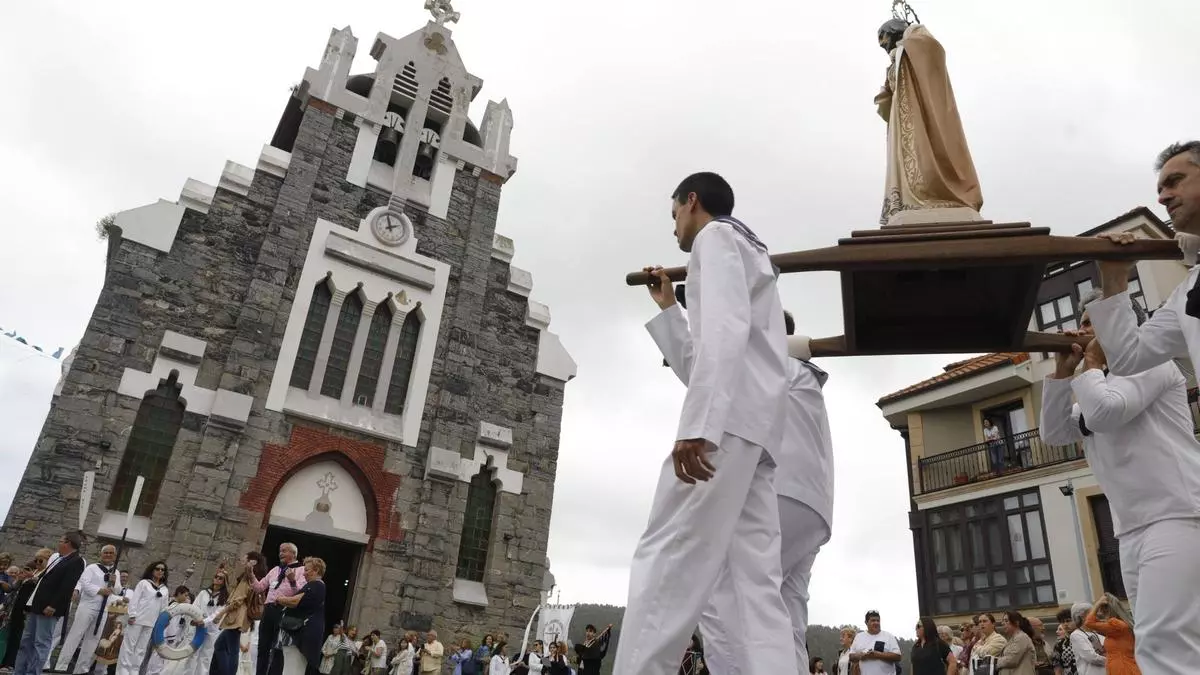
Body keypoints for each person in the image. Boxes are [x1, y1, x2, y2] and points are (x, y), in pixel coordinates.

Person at [614, 172, 795, 675]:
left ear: (692, 201)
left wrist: (699, 426)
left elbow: (724, 332)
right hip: (756, 430)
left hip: (726, 423)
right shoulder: (751, 252)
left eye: (674, 214)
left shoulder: (715, 240)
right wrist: (671, 307)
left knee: (669, 555)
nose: (674, 229)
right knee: (751, 583)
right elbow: (714, 351)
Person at [646, 274, 834, 675]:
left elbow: (704, 372)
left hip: (775, 491)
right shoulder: (802, 374)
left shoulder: (767, 366)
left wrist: (669, 310)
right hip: (813, 504)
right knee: (784, 611)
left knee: (719, 591)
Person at [1086, 140, 1200, 673]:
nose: (1164, 192)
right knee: (1164, 645)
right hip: (1144, 522)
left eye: (1176, 180)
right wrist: (1115, 278)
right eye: (1160, 185)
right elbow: (1129, 354)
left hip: (1175, 513)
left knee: (1165, 643)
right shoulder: (1186, 291)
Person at [873, 17, 982, 225]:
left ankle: (934, 192)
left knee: (923, 153)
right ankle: (908, 199)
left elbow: (931, 49)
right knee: (906, 156)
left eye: (884, 39)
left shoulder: (915, 41)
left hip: (920, 114)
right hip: (901, 119)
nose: (883, 46)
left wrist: (910, 33)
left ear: (896, 32)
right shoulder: (896, 59)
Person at [15, 533, 86, 675]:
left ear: (68, 543)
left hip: (48, 607)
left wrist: (53, 605)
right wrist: (33, 578)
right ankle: (19, 671)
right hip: (37, 605)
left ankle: (33, 672)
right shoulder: (57, 559)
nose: (58, 544)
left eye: (60, 541)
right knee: (26, 641)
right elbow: (46, 579)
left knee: (40, 643)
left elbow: (67, 586)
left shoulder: (76, 561)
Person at [54, 544, 121, 675]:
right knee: (76, 634)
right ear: (101, 554)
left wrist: (115, 582)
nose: (108, 555)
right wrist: (101, 590)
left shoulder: (116, 571)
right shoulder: (92, 568)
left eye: (111, 553)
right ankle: (61, 666)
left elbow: (117, 590)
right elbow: (85, 583)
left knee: (93, 639)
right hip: (88, 606)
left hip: (104, 609)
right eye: (105, 552)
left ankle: (81, 669)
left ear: (115, 556)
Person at [252, 545, 306, 675]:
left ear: (293, 553)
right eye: (279, 551)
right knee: (263, 646)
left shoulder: (301, 570)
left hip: (284, 611)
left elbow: (301, 594)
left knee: (278, 648)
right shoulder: (275, 569)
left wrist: (292, 581)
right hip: (268, 609)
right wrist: (250, 574)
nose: (280, 554)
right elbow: (259, 587)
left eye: (283, 551)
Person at [210, 553, 267, 675]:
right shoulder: (253, 578)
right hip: (240, 617)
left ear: (253, 562)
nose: (242, 560)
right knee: (221, 645)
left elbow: (237, 600)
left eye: (245, 558)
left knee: (232, 650)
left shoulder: (247, 578)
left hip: (237, 616)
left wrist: (220, 614)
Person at [273, 558, 325, 675]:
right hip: (296, 634)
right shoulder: (312, 586)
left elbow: (295, 601)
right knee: (291, 668)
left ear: (316, 570)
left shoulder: (317, 585)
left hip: (300, 634)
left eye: (307, 570)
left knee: (293, 669)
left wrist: (280, 599)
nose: (304, 573)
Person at [117, 561, 169, 675]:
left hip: (151, 623)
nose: (160, 571)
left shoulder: (164, 590)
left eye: (162, 570)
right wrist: (132, 615)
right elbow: (135, 600)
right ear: (152, 570)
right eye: (157, 569)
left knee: (141, 649)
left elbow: (164, 609)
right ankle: (123, 671)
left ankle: (134, 671)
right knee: (129, 647)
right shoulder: (144, 583)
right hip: (137, 620)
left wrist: (162, 622)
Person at [145, 586, 195, 675]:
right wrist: (171, 637)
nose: (186, 598)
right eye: (185, 595)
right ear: (179, 594)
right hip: (166, 637)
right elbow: (171, 624)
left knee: (162, 660)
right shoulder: (174, 607)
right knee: (158, 658)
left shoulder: (177, 606)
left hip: (169, 637)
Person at [1083, 596, 1138, 675]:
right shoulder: (1120, 625)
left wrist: (1097, 604)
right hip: (1122, 667)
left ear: (1105, 609)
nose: (1099, 612)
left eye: (1100, 609)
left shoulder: (1116, 625)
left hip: (1122, 668)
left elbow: (1089, 623)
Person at [189, 570, 229, 675]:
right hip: (198, 626)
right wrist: (195, 618)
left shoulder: (224, 597)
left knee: (206, 656)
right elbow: (195, 606)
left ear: (224, 582)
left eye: (221, 578)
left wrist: (205, 621)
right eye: (216, 577)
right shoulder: (203, 593)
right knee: (193, 653)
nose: (217, 579)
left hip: (212, 629)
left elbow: (218, 613)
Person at [1068, 604, 1105, 675]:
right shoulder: (1076, 635)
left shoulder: (1098, 634)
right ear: (1082, 617)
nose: (1096, 615)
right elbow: (1091, 657)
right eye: (1093, 613)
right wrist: (1112, 660)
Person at [1049, 610, 1076, 675]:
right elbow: (1057, 666)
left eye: (1068, 620)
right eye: (1062, 622)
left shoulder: (1085, 637)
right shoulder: (1059, 644)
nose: (1065, 624)